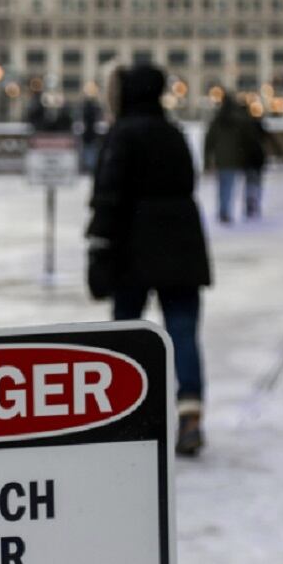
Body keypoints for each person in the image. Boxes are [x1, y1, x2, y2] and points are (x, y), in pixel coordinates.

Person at [86, 64, 212, 456]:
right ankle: (189, 411)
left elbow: (109, 194)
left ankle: (126, 414)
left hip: (133, 245)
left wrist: (100, 244)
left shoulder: (122, 134)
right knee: (183, 329)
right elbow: (188, 183)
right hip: (181, 244)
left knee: (127, 333)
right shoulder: (173, 132)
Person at [204, 92, 250, 223]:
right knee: (229, 186)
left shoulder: (217, 120)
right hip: (233, 158)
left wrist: (207, 161)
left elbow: (209, 141)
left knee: (222, 186)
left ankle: (223, 210)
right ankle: (225, 210)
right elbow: (244, 141)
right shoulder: (238, 120)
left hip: (221, 158)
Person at [242, 110, 283, 219]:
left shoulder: (245, 132)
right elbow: (273, 141)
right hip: (257, 161)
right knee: (256, 184)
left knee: (249, 183)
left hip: (248, 161)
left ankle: (250, 204)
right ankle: (255, 204)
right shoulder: (260, 131)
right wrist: (280, 154)